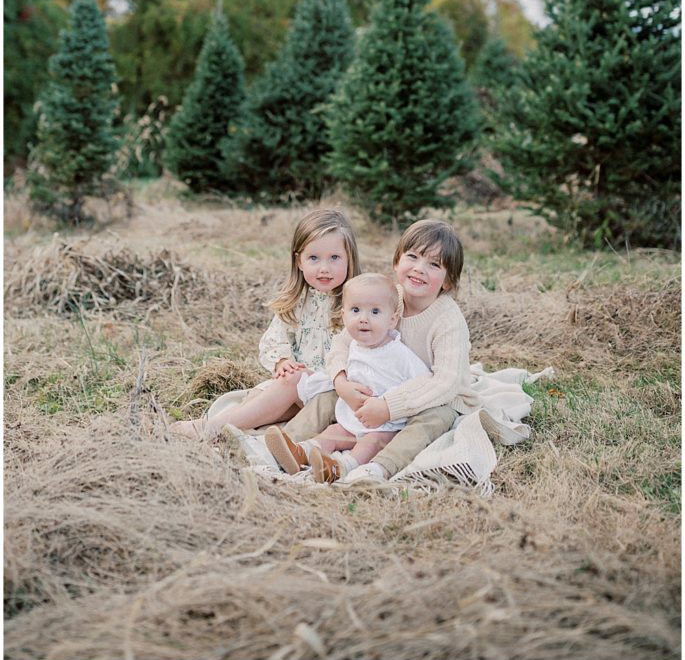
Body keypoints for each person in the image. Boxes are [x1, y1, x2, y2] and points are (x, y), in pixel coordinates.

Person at [275, 218, 481, 485]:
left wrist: (388, 407)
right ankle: (289, 445)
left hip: (433, 399)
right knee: (328, 396)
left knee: (431, 421)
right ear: (396, 262)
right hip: (380, 385)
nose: (419, 269)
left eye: (434, 264)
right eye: (413, 256)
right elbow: (342, 342)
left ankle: (376, 468)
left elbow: (446, 382)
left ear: (448, 282)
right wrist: (341, 381)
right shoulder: (385, 296)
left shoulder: (447, 321)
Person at [169, 207, 361, 439]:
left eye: (335, 258)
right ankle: (223, 431)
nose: (324, 268)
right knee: (265, 398)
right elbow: (275, 339)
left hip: (333, 393)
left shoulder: (357, 303)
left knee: (289, 384)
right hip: (298, 389)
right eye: (313, 258)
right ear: (299, 261)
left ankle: (206, 428)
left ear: (349, 259)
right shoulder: (296, 302)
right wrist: (282, 360)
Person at [264, 272, 429, 483]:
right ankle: (302, 452)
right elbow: (335, 362)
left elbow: (422, 383)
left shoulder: (399, 354)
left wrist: (389, 405)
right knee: (333, 432)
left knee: (370, 443)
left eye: (375, 311)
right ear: (344, 316)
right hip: (352, 419)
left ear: (392, 320)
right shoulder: (353, 346)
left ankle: (341, 467)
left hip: (386, 426)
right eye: (356, 310)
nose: (363, 318)